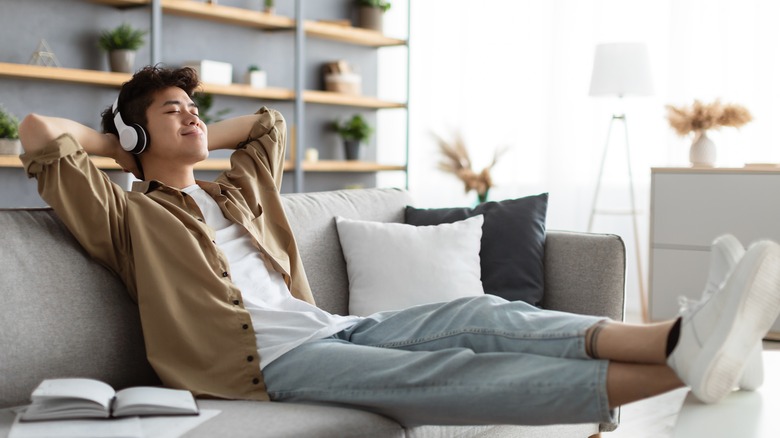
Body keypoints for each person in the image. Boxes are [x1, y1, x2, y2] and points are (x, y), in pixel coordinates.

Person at [18, 65, 780, 427]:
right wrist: (124, 141)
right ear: (136, 134)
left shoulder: (232, 195)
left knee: (486, 312)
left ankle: (684, 338)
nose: (193, 120)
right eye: (174, 112)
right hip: (265, 368)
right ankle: (685, 369)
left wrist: (177, 124)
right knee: (451, 372)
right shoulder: (128, 215)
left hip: (330, 330)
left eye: (194, 108)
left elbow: (264, 126)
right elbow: (37, 135)